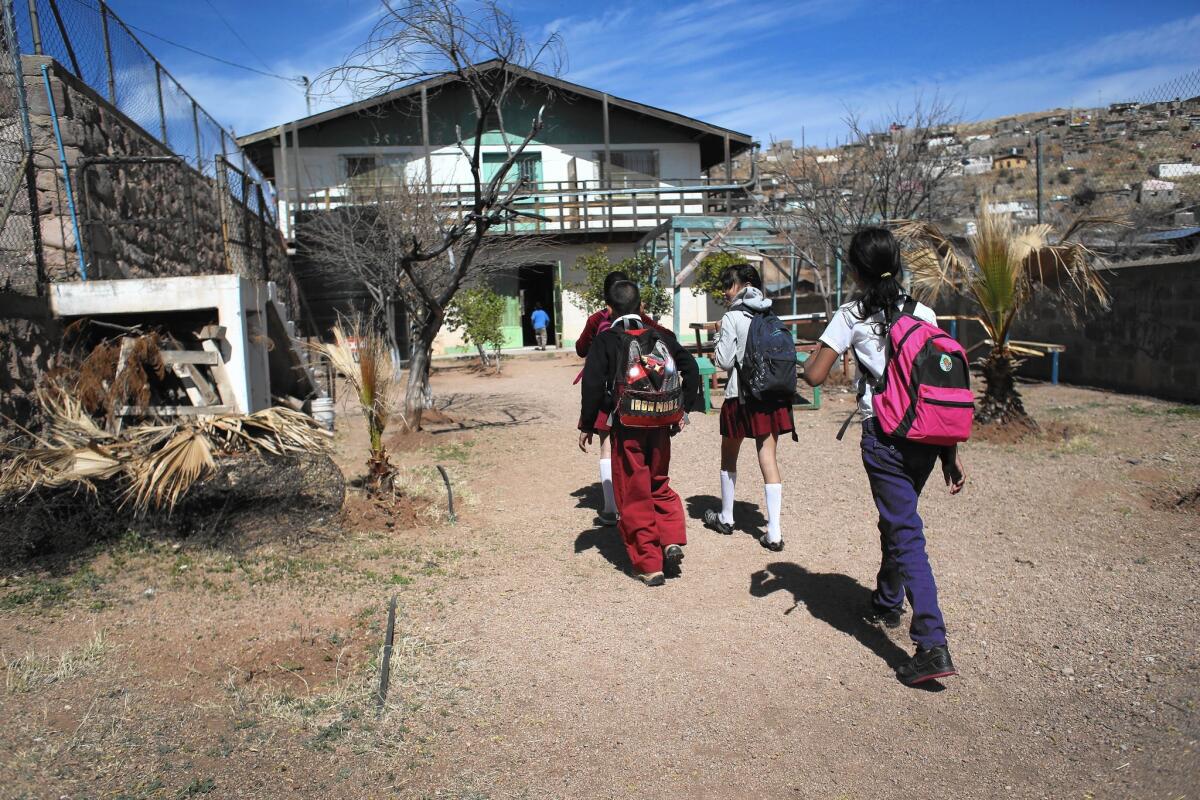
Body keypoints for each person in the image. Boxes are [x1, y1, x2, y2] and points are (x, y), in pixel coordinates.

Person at [801, 226, 966, 687]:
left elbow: (814, 376)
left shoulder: (851, 315)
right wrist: (949, 453)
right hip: (928, 439)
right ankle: (888, 600)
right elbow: (937, 385)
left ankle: (931, 643)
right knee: (897, 518)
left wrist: (811, 354)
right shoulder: (924, 312)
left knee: (905, 530)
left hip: (885, 437)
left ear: (855, 270)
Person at [578, 280, 702, 586]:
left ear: (609, 308)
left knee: (633, 491)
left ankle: (650, 563)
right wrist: (683, 408)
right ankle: (671, 536)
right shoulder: (661, 335)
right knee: (659, 481)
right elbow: (692, 367)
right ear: (641, 306)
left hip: (628, 426)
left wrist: (587, 424)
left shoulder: (606, 340)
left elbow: (592, 385)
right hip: (661, 424)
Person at [703, 263, 795, 552]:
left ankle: (727, 517)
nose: (726, 291)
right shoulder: (769, 311)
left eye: (729, 284)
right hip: (771, 396)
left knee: (729, 455)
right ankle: (775, 532)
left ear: (742, 284)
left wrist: (718, 334)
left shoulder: (733, 315)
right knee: (768, 458)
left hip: (740, 395)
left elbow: (724, 362)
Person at [575, 270, 672, 527]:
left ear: (608, 299)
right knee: (642, 449)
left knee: (607, 445)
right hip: (640, 393)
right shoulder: (641, 318)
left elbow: (581, 348)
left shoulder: (598, 319)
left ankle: (610, 508)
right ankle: (647, 504)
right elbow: (665, 336)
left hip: (608, 392)